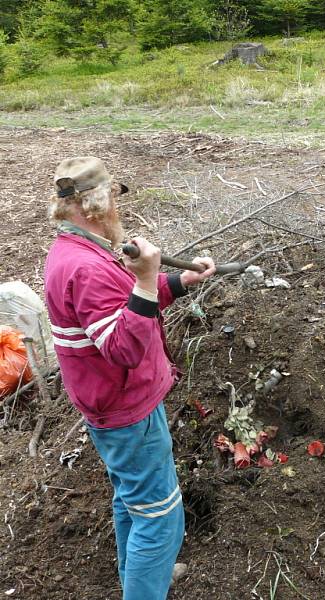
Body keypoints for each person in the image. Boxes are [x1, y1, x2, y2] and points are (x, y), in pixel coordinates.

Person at [43, 156, 216, 600]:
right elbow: (122, 346)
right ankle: (146, 581)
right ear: (97, 206)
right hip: (125, 411)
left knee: (133, 503)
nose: (119, 210)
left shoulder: (82, 250)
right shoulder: (86, 267)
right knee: (160, 519)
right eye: (113, 200)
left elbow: (126, 307)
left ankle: (142, 577)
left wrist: (179, 281)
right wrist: (143, 280)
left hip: (115, 403)